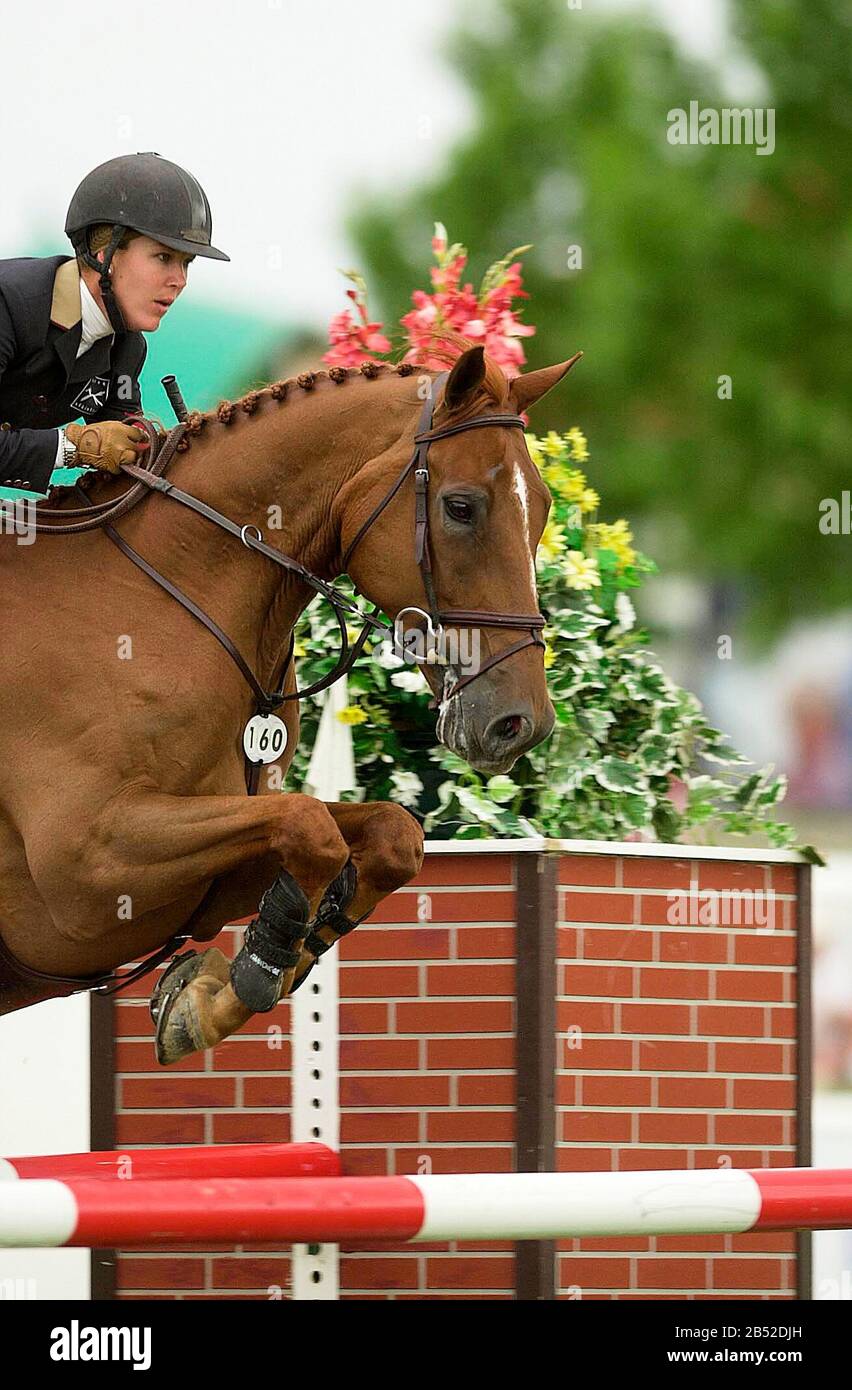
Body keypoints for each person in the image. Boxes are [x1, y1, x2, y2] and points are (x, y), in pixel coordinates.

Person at [0, 152, 228, 495]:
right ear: (106, 255)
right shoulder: (9, 304)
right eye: (164, 257)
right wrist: (79, 446)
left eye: (186, 264)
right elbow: (94, 443)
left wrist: (170, 444)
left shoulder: (127, 347)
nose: (179, 281)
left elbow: (121, 434)